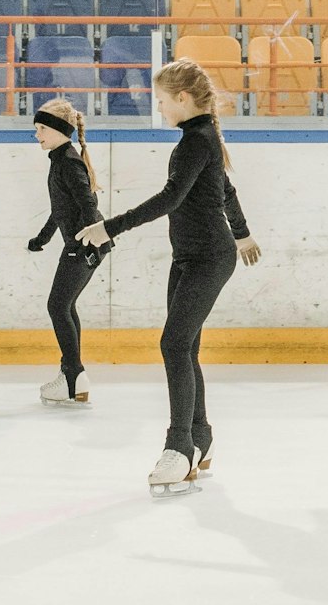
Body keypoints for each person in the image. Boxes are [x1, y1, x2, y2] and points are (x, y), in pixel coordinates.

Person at [76, 60, 261, 496]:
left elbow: (170, 198)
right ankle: (200, 436)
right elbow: (225, 190)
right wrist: (244, 232)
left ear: (183, 98)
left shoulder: (197, 141)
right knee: (185, 345)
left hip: (208, 258)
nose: (159, 109)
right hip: (191, 257)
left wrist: (109, 226)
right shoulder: (199, 139)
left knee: (174, 344)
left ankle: (179, 447)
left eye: (162, 101)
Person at [25, 97, 110, 406]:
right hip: (82, 243)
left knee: (58, 306)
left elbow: (88, 202)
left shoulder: (68, 161)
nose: (37, 135)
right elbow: (59, 209)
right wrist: (42, 238)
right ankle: (74, 378)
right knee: (64, 306)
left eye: (42, 129)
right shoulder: (61, 159)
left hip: (84, 245)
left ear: (60, 131)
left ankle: (73, 376)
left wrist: (93, 240)